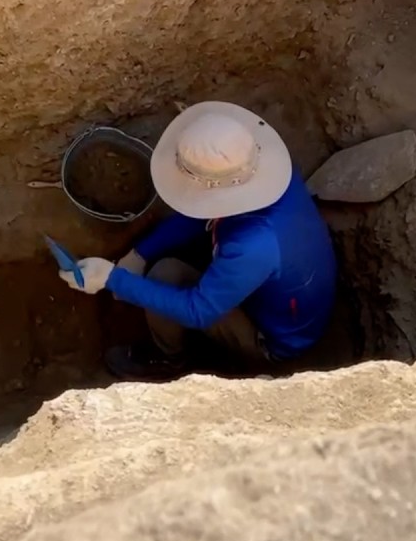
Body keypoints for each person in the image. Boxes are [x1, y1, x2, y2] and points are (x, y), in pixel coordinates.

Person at [57, 100, 337, 380]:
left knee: (165, 275)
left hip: (275, 342)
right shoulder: (272, 174)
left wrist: (113, 279)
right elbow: (203, 212)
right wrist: (140, 253)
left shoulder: (251, 246)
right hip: (291, 306)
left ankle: (169, 361)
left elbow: (197, 311)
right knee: (170, 266)